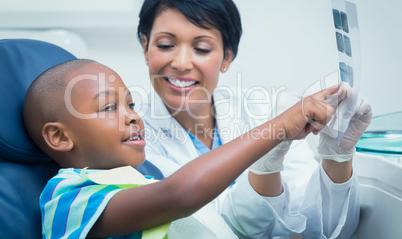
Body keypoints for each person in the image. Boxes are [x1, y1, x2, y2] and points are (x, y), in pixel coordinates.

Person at [137, 0, 372, 238]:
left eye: (201, 48)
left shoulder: (261, 108)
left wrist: (337, 154)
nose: (181, 63)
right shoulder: (131, 135)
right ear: (146, 48)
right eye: (165, 45)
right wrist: (267, 157)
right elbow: (213, 228)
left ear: (227, 57)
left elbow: (324, 229)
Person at [23, 58, 341, 238]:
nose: (133, 115)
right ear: (60, 137)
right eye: (110, 108)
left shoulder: (139, 181)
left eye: (131, 104)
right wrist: (279, 127)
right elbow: (182, 194)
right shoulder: (68, 196)